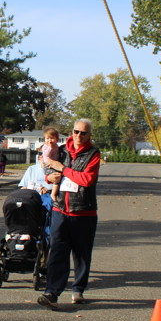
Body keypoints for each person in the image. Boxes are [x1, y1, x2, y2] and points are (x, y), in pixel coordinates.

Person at [37, 119, 101, 308]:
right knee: (57, 251)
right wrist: (50, 177)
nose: (79, 135)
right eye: (76, 131)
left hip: (84, 212)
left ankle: (78, 289)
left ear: (89, 135)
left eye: (83, 133)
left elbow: (87, 179)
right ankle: (51, 292)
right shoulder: (61, 150)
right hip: (60, 209)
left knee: (81, 255)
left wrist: (63, 169)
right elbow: (48, 168)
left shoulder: (93, 153)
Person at [40, 127, 61, 203]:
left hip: (54, 165)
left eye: (52, 138)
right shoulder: (45, 147)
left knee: (59, 177)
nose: (49, 140)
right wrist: (50, 147)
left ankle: (53, 192)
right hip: (48, 166)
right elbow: (47, 154)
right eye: (47, 138)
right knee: (57, 177)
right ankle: (53, 194)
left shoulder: (57, 146)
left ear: (56, 139)